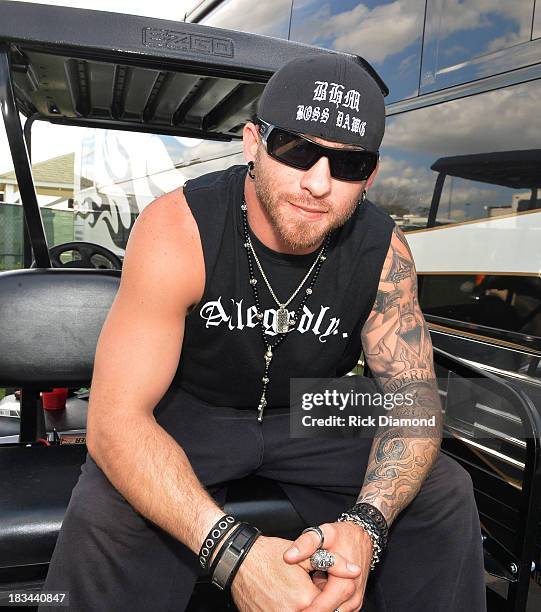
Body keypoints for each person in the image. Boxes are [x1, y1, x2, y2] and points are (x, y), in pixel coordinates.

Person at [42, 53, 486, 612]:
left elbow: (413, 403)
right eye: (297, 150)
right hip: (194, 407)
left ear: (369, 176)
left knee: (445, 490)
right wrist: (233, 555)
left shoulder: (383, 250)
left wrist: (366, 525)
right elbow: (114, 419)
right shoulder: (178, 228)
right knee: (109, 511)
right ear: (253, 143)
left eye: (347, 166)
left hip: (312, 408)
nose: (318, 182)